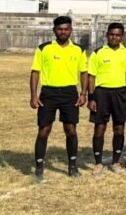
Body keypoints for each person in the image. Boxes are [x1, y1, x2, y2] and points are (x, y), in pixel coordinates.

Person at [30, 16, 88, 181]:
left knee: (71, 130)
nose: (63, 32)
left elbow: (84, 73)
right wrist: (34, 95)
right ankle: (39, 167)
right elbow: (35, 72)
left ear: (71, 30)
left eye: (66, 29)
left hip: (69, 93)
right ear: (54, 30)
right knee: (44, 130)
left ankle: (73, 166)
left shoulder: (79, 49)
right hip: (48, 93)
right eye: (60, 29)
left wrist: (83, 93)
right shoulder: (44, 48)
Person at [87, 22, 126, 175]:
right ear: (107, 35)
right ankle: (98, 163)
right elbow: (91, 76)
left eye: (118, 35)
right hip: (101, 94)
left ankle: (116, 162)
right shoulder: (98, 53)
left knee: (119, 129)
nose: (114, 37)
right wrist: (91, 98)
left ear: (122, 36)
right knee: (100, 128)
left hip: (121, 93)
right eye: (112, 34)